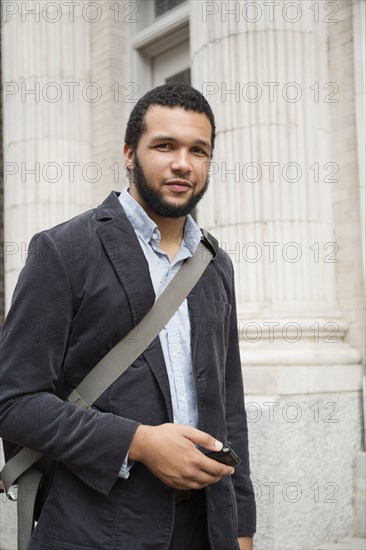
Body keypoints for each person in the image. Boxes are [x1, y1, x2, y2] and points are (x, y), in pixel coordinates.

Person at [0, 83, 256, 550]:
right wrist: (138, 442)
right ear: (129, 153)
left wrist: (240, 527)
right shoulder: (64, 250)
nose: (183, 163)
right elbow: (13, 403)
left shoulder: (216, 264)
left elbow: (230, 406)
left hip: (206, 528)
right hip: (98, 528)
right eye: (165, 146)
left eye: (198, 150)